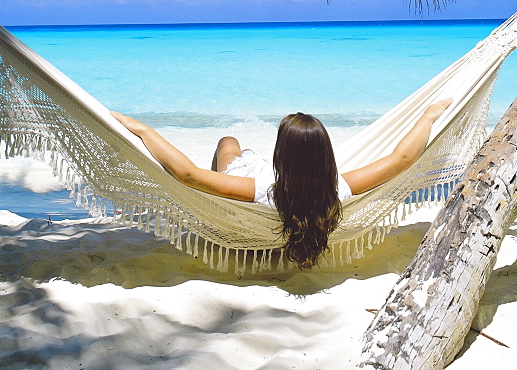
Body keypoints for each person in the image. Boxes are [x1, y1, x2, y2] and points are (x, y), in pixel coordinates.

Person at [111, 99, 453, 269]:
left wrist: (143, 131)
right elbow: (400, 161)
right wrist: (428, 117)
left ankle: (216, 206)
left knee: (229, 142)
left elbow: (187, 175)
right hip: (268, 177)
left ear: (282, 154)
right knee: (240, 151)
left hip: (243, 176)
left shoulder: (264, 193)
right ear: (325, 153)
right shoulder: (336, 190)